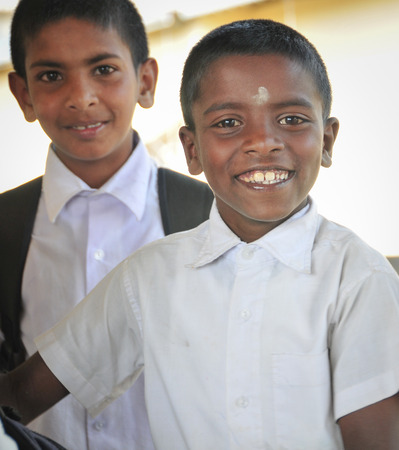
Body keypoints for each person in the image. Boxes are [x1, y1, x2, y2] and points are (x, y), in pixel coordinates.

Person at [1, 18, 399, 449]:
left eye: (291, 118)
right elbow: (23, 395)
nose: (263, 142)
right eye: (229, 123)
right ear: (191, 149)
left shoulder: (358, 280)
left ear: (327, 140)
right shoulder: (148, 279)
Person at [0, 0, 212, 449]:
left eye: (103, 69)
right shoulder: (4, 227)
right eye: (51, 76)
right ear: (23, 95)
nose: (81, 96)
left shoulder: (211, 216)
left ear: (146, 81)